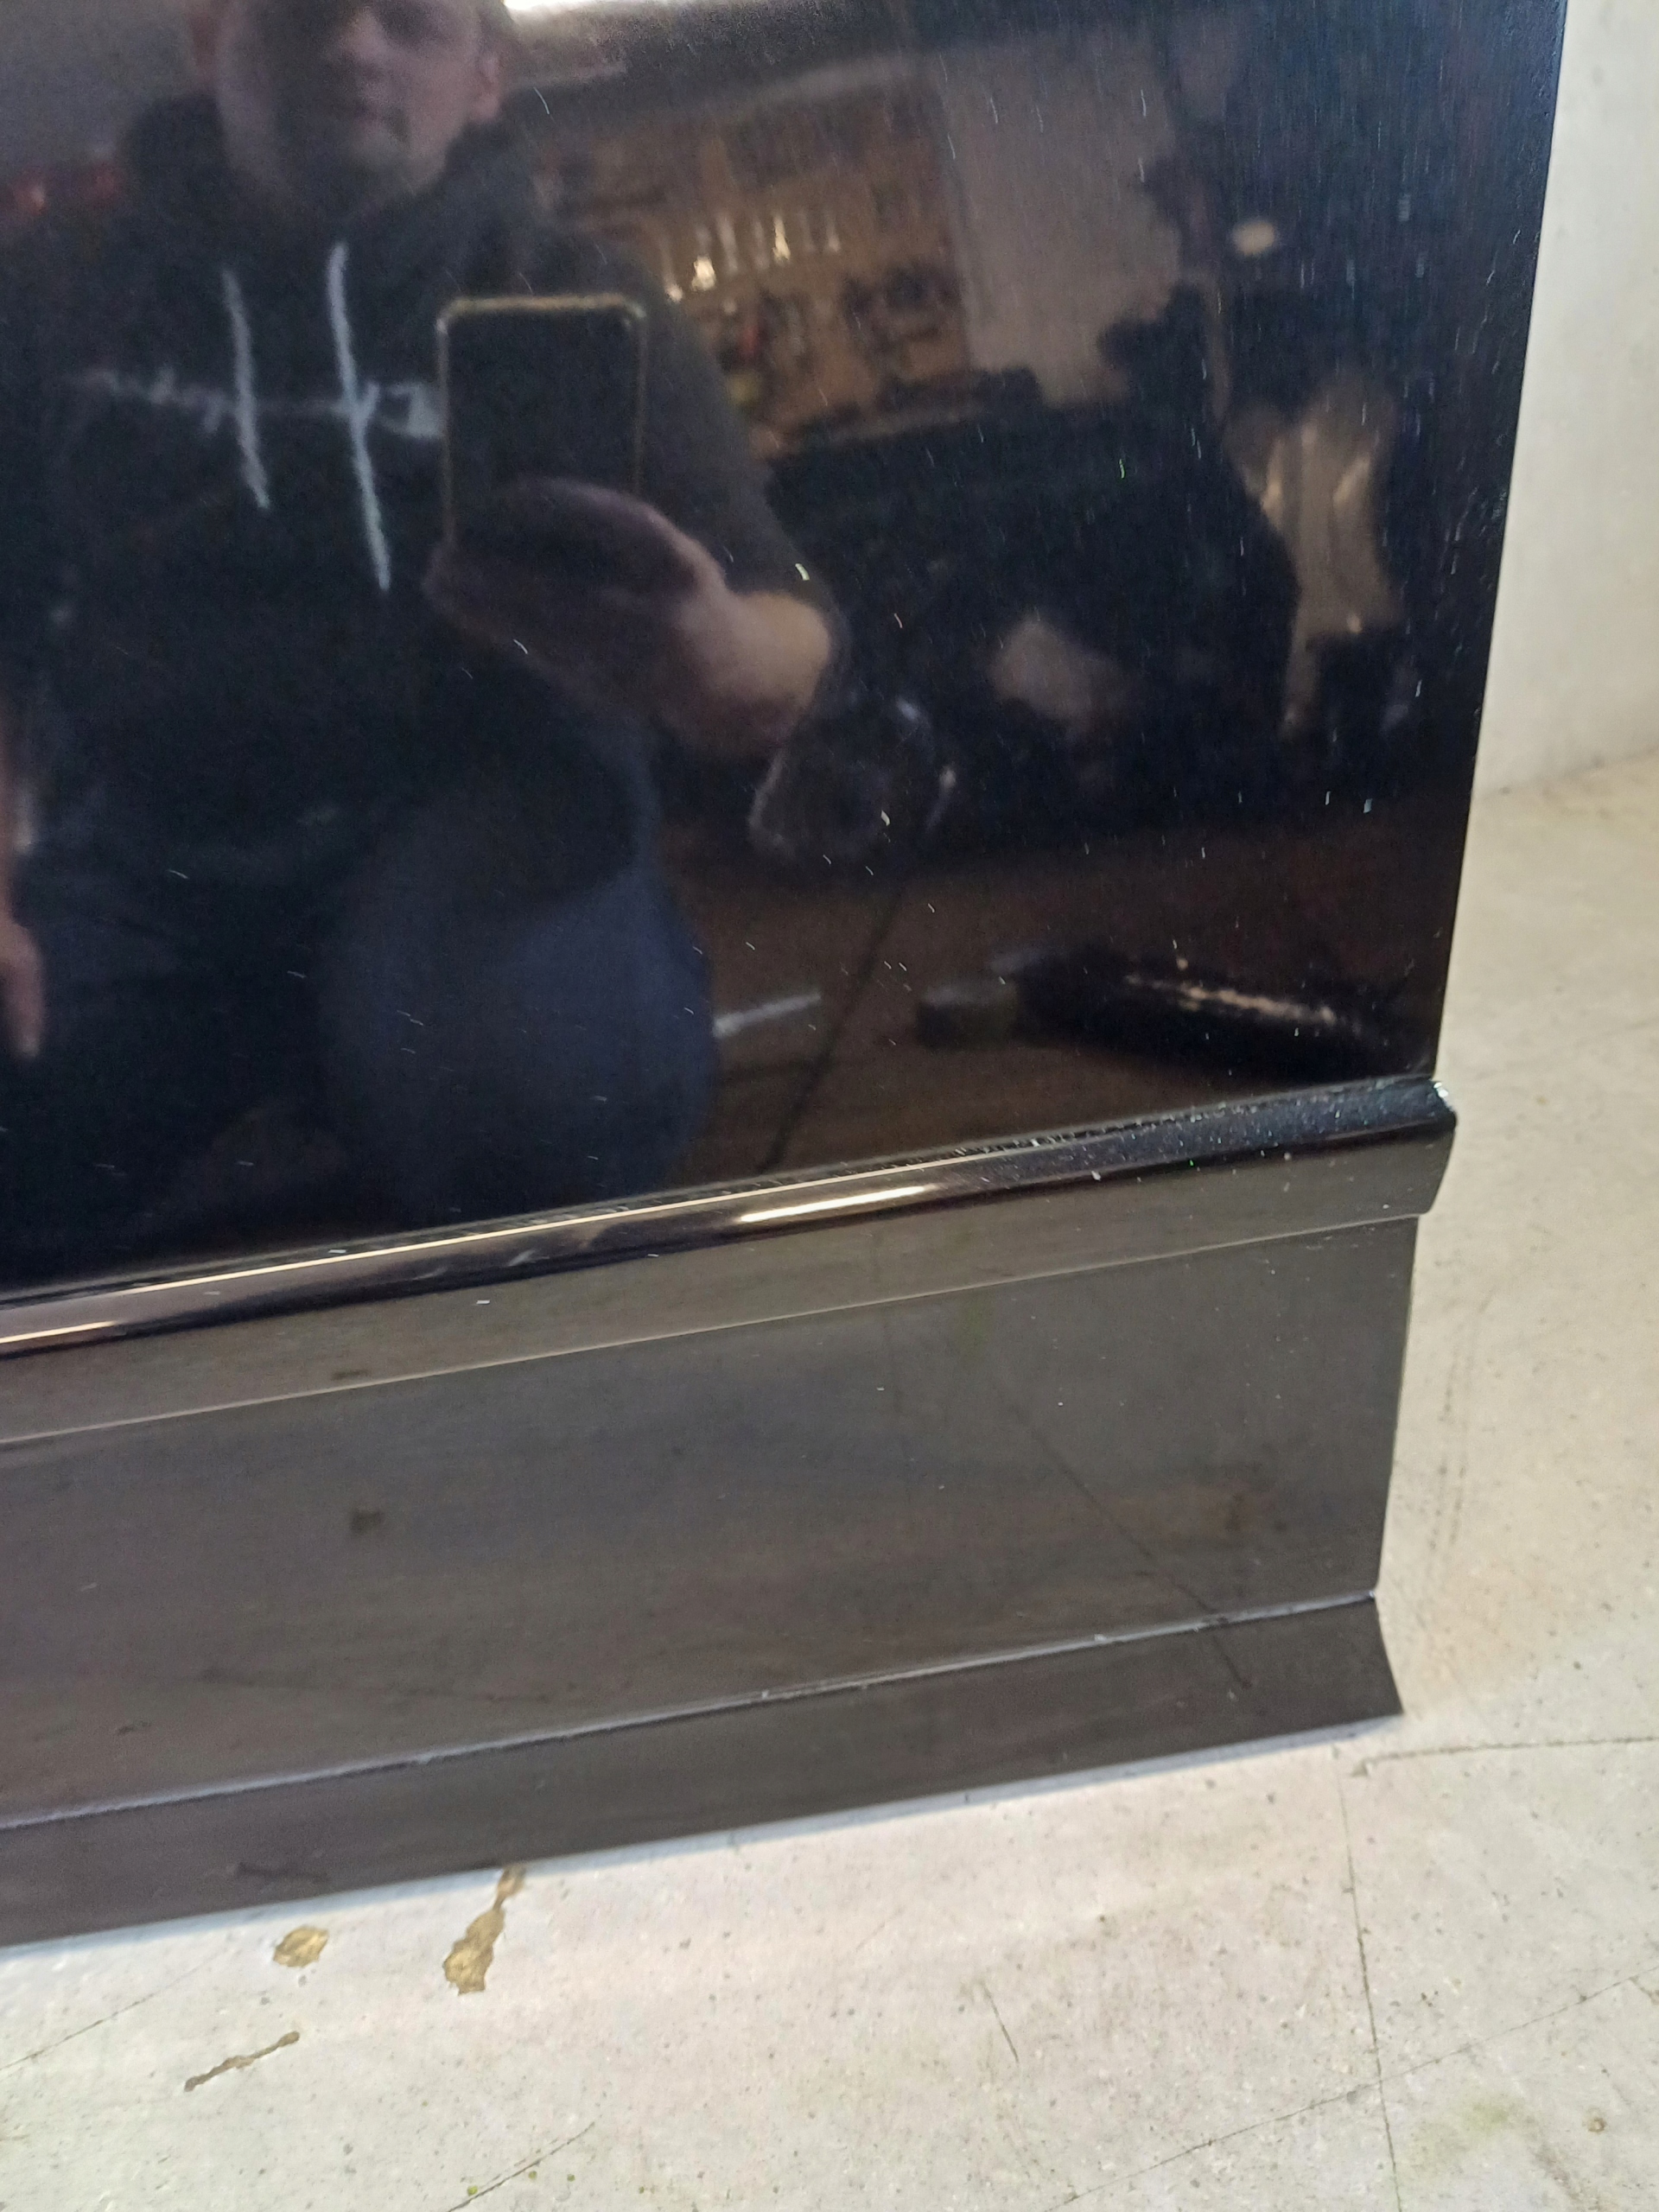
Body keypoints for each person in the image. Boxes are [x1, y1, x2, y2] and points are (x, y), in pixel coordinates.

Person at [0, 0, 834, 1277]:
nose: (354, 46)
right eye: (307, 12)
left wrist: (720, 653)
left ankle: (384, 1058)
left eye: (412, 21)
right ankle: (334, 1073)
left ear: (488, 78)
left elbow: (788, 620)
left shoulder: (575, 294)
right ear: (209, 40)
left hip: (488, 811)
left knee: (525, 1114)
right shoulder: (53, 295)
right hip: (152, 850)